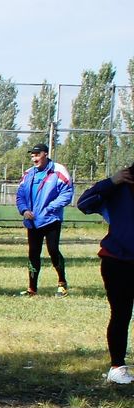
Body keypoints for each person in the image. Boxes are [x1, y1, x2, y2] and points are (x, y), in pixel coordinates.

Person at [76, 162, 134, 384]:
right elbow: (84, 203)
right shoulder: (119, 187)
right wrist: (111, 181)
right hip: (117, 260)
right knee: (121, 313)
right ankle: (117, 366)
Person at [15, 142, 73, 297]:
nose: (34, 158)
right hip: (33, 221)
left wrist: (50, 208)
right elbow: (20, 195)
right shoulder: (28, 174)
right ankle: (32, 289)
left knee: (53, 250)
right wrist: (24, 210)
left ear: (45, 154)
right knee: (33, 253)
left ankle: (62, 283)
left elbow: (67, 193)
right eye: (32, 155)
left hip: (51, 219)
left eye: (37, 155)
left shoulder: (58, 171)